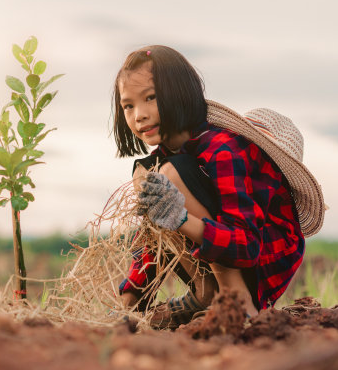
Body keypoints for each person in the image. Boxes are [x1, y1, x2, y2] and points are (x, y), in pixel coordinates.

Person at [113, 45, 325, 329]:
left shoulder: (223, 149)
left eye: (151, 98)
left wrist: (181, 220)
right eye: (129, 105)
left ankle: (236, 302)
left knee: (168, 177)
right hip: (217, 246)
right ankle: (207, 294)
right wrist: (129, 303)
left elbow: (246, 246)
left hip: (258, 258)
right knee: (149, 177)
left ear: (180, 93)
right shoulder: (165, 160)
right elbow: (151, 238)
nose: (138, 115)